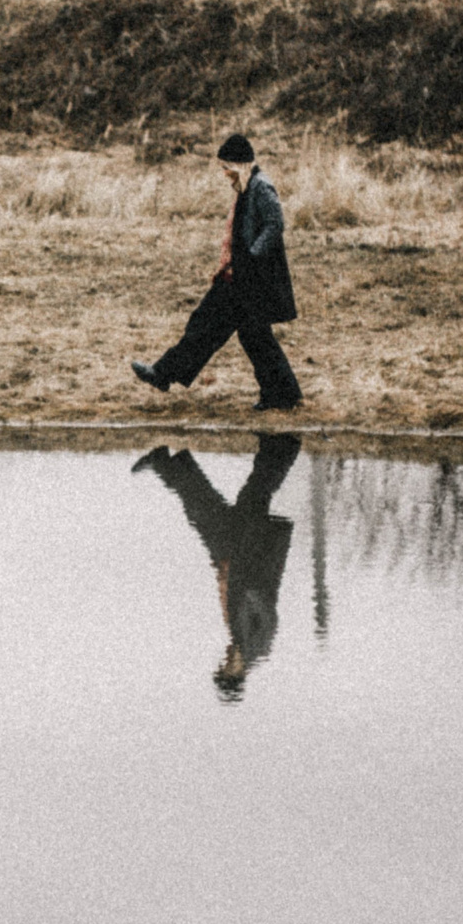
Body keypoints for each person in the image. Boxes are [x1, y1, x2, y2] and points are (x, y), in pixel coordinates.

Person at [131, 133, 302, 411]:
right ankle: (283, 395)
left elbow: (275, 224)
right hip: (240, 275)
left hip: (248, 279)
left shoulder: (261, 187)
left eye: (226, 167)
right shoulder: (247, 187)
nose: (224, 173)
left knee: (215, 327)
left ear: (240, 164)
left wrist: (251, 255)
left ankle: (163, 374)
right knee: (241, 332)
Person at [133, 435, 301, 699]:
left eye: (222, 668)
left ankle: (170, 463)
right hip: (248, 550)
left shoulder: (240, 644)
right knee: (250, 493)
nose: (224, 663)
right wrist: (240, 581)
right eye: (227, 670)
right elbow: (267, 611)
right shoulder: (257, 646)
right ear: (238, 674)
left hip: (236, 555)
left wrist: (225, 577)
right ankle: (285, 445)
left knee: (208, 507)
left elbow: (236, 600)